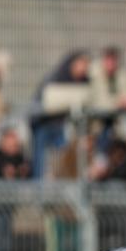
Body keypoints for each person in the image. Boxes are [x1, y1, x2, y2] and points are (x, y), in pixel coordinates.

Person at [31, 50, 91, 179]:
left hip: (62, 126)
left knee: (65, 158)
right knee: (40, 161)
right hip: (44, 122)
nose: (84, 69)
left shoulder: (84, 81)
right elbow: (45, 99)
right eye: (82, 64)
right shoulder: (57, 76)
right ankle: (39, 191)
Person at [89, 47, 126, 155]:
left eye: (113, 61)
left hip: (114, 122)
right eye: (108, 61)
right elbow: (99, 100)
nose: (111, 65)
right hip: (95, 122)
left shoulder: (121, 75)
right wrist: (117, 103)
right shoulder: (94, 74)